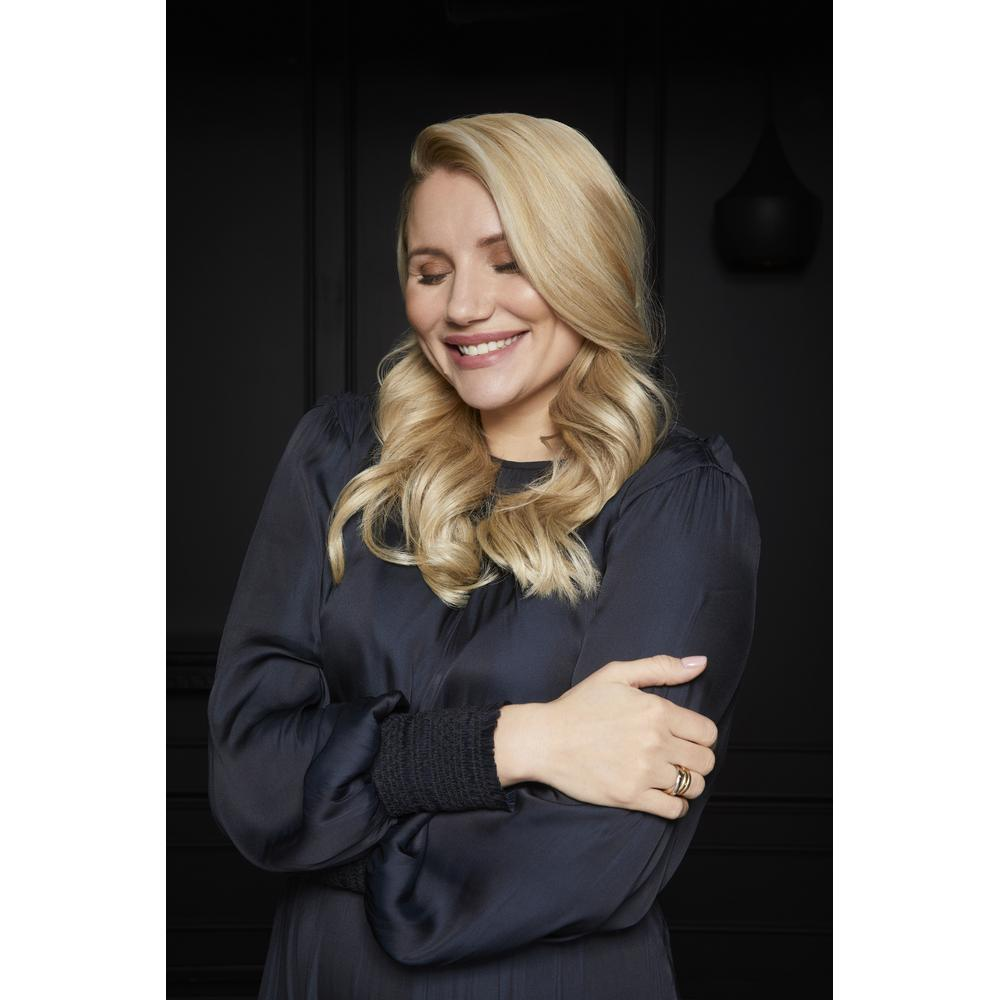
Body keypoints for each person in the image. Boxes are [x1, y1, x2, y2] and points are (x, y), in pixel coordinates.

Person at [207, 112, 761, 999]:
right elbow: (252, 779)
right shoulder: (339, 458)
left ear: (587, 266)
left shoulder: (679, 502)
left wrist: (336, 831)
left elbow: (597, 852)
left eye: (509, 262)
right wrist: (519, 741)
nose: (463, 307)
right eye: (431, 272)